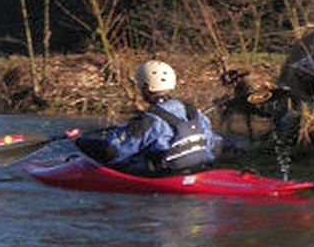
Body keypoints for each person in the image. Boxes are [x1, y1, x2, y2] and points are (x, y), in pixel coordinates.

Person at [68, 59, 222, 176]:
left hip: (164, 175)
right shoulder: (195, 112)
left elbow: (110, 152)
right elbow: (215, 145)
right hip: (199, 171)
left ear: (146, 89)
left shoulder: (147, 121)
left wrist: (79, 140)